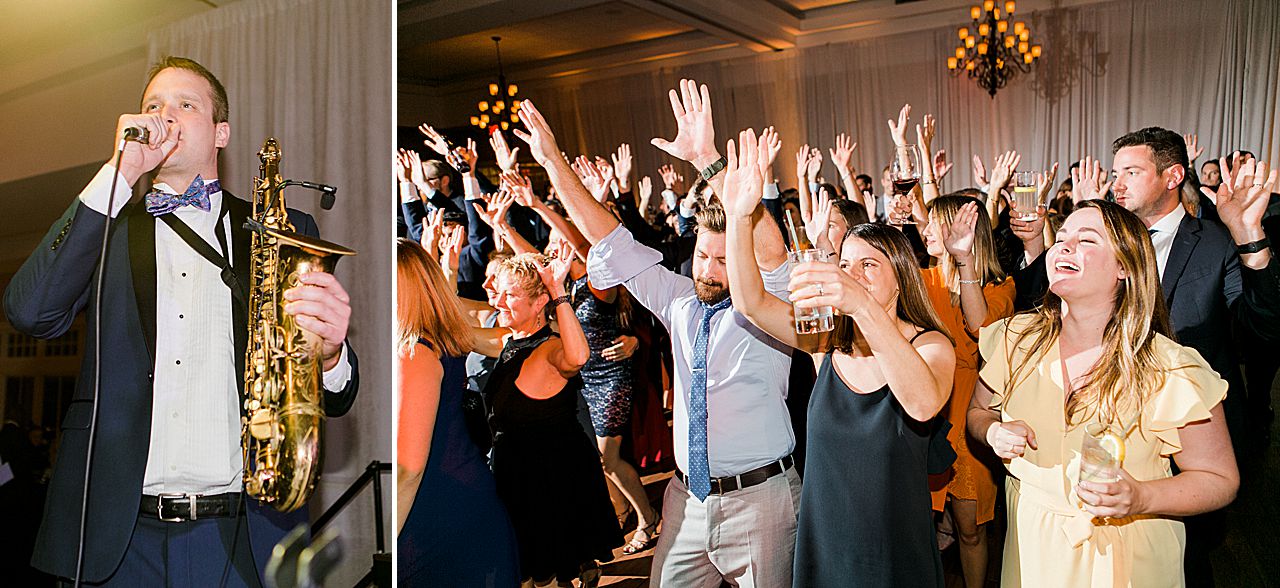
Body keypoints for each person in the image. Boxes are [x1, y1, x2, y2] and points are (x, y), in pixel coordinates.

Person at [3, 56, 360, 586]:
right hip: (118, 539)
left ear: (221, 132)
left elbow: (333, 395)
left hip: (245, 534)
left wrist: (330, 357)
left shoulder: (284, 227)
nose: (164, 117)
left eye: (184, 105)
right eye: (153, 106)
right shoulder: (104, 227)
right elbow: (30, 312)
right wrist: (121, 172)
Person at [514, 82, 802, 586]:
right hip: (685, 498)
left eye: (722, 258)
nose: (709, 269)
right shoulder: (678, 299)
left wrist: (709, 159)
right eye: (702, 256)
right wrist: (553, 160)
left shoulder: (770, 305)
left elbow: (772, 250)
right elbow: (607, 236)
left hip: (762, 501)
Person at [718, 128, 955, 587]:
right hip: (826, 540)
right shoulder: (825, 342)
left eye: (870, 265)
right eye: (845, 264)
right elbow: (749, 302)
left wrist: (863, 306)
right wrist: (737, 216)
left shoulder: (930, 345)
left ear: (902, 276)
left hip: (893, 548)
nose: (853, 275)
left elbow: (923, 404)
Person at [969, 200, 1239, 586]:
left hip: (1128, 552)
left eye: (1086, 240)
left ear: (1125, 267)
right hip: (1033, 545)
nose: (1064, 246)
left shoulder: (1169, 366)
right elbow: (978, 413)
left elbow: (1219, 478)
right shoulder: (1014, 340)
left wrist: (1141, 497)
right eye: (1060, 238)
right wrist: (992, 431)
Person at [485, 251, 623, 587]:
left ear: (539, 303)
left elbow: (578, 356)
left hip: (550, 478)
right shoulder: (507, 341)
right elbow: (450, 327)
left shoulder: (549, 349)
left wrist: (559, 292)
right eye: (499, 292)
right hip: (514, 474)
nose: (499, 302)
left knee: (547, 566)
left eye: (511, 295)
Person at [395, 239, 518, 587]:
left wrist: (393, 537)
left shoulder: (416, 353)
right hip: (462, 489)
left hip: (436, 506)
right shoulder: (443, 337)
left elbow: (408, 470)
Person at [920, 195, 1015, 588]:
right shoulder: (925, 280)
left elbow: (981, 329)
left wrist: (964, 264)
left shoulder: (1001, 286)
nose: (924, 231)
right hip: (925, 411)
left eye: (933, 224)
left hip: (971, 412)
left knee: (970, 529)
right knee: (925, 521)